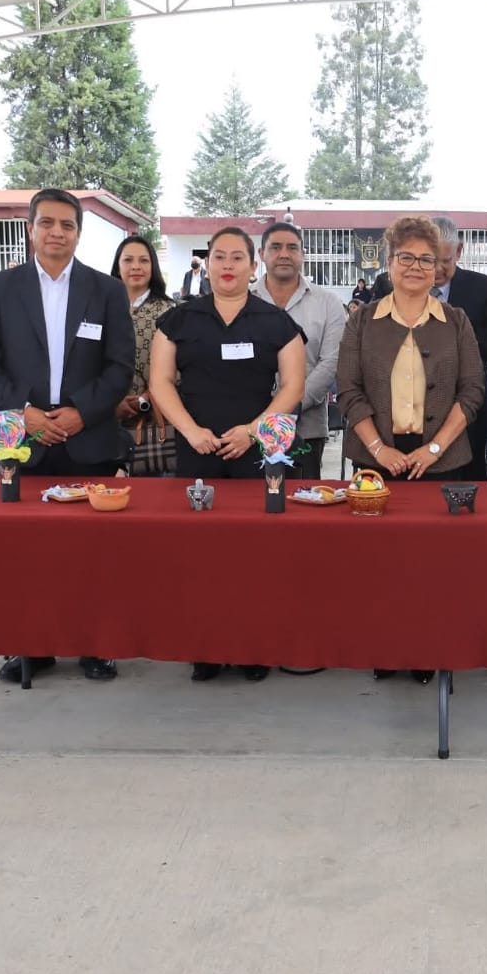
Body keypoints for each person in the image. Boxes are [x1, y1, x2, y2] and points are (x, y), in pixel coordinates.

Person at [0, 188, 134, 684]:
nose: (57, 232)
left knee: (91, 553)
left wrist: (82, 412)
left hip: (89, 439)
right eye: (47, 223)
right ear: (31, 228)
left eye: (67, 225)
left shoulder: (105, 291)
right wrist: (25, 414)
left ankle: (94, 644)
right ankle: (31, 647)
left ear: (79, 233)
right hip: (24, 444)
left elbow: (120, 365)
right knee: (28, 553)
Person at [150, 226, 305, 683]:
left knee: (254, 552)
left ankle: (254, 647)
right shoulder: (179, 319)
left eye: (238, 258)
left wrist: (254, 431)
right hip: (196, 447)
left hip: (256, 452)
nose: (228, 266)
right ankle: (206, 649)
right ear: (207, 263)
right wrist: (191, 430)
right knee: (200, 554)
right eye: (220, 257)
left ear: (253, 267)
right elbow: (160, 382)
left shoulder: (275, 321)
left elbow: (293, 386)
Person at [336, 217, 484, 686]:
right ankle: (387, 647)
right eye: (407, 257)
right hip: (375, 460)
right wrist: (377, 448)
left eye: (427, 259)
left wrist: (436, 448)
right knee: (382, 564)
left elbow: (472, 391)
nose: (417, 267)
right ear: (388, 262)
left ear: (439, 267)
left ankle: (427, 651)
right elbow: (348, 390)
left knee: (432, 565)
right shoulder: (362, 320)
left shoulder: (457, 322)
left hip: (441, 461)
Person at [251, 222, 343, 480]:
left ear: (303, 254)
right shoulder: (244, 300)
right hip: (248, 428)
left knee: (303, 508)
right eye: (276, 247)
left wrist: (290, 405)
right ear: (261, 254)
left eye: (292, 247)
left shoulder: (328, 303)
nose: (284, 254)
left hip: (307, 428)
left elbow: (331, 362)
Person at [428, 217, 487, 481]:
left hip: (471, 407)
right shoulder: (393, 286)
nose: (435, 269)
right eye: (428, 259)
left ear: (458, 252)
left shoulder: (484, 288)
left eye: (444, 261)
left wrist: (452, 330)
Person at [108, 234, 179, 473]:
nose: (136, 267)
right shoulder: (100, 307)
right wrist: (111, 402)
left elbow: (179, 365)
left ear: (153, 267)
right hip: (105, 413)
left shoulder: (170, 311)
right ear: (118, 266)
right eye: (128, 260)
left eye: (144, 261)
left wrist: (144, 399)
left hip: (156, 415)